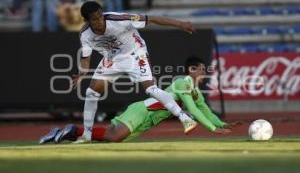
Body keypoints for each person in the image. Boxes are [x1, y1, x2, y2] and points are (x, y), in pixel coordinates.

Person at [72, 1, 197, 143]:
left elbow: (151, 19)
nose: (99, 21)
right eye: (94, 19)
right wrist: (83, 71)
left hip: (135, 53)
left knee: (151, 89)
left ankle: (185, 118)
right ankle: (86, 135)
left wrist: (181, 24)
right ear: (86, 21)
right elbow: (85, 58)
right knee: (91, 92)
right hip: (112, 59)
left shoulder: (119, 20)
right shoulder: (85, 34)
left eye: (100, 16)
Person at [39, 57, 239, 144]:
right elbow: (193, 111)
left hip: (148, 121)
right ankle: (72, 130)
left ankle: (70, 132)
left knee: (110, 137)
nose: (204, 72)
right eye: (201, 69)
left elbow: (205, 110)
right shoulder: (182, 82)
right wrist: (213, 130)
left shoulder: (196, 91)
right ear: (191, 70)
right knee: (114, 138)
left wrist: (221, 123)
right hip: (142, 111)